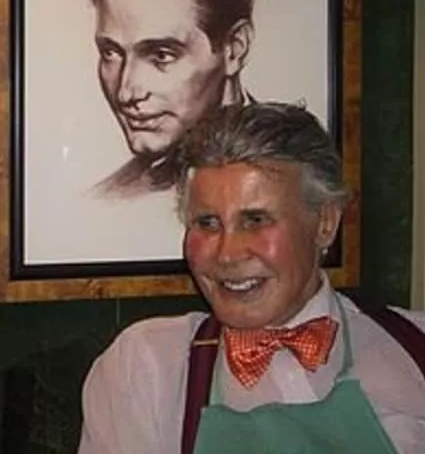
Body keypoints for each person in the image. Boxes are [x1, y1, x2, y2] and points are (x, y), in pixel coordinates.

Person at [77, 101, 425, 453]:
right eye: (208, 223)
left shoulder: (414, 348)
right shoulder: (144, 368)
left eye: (255, 220)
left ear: (325, 223)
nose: (228, 254)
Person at [77, 0, 256, 198]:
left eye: (161, 55)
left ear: (234, 48)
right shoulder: (109, 198)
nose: (126, 93)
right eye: (111, 53)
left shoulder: (292, 175)